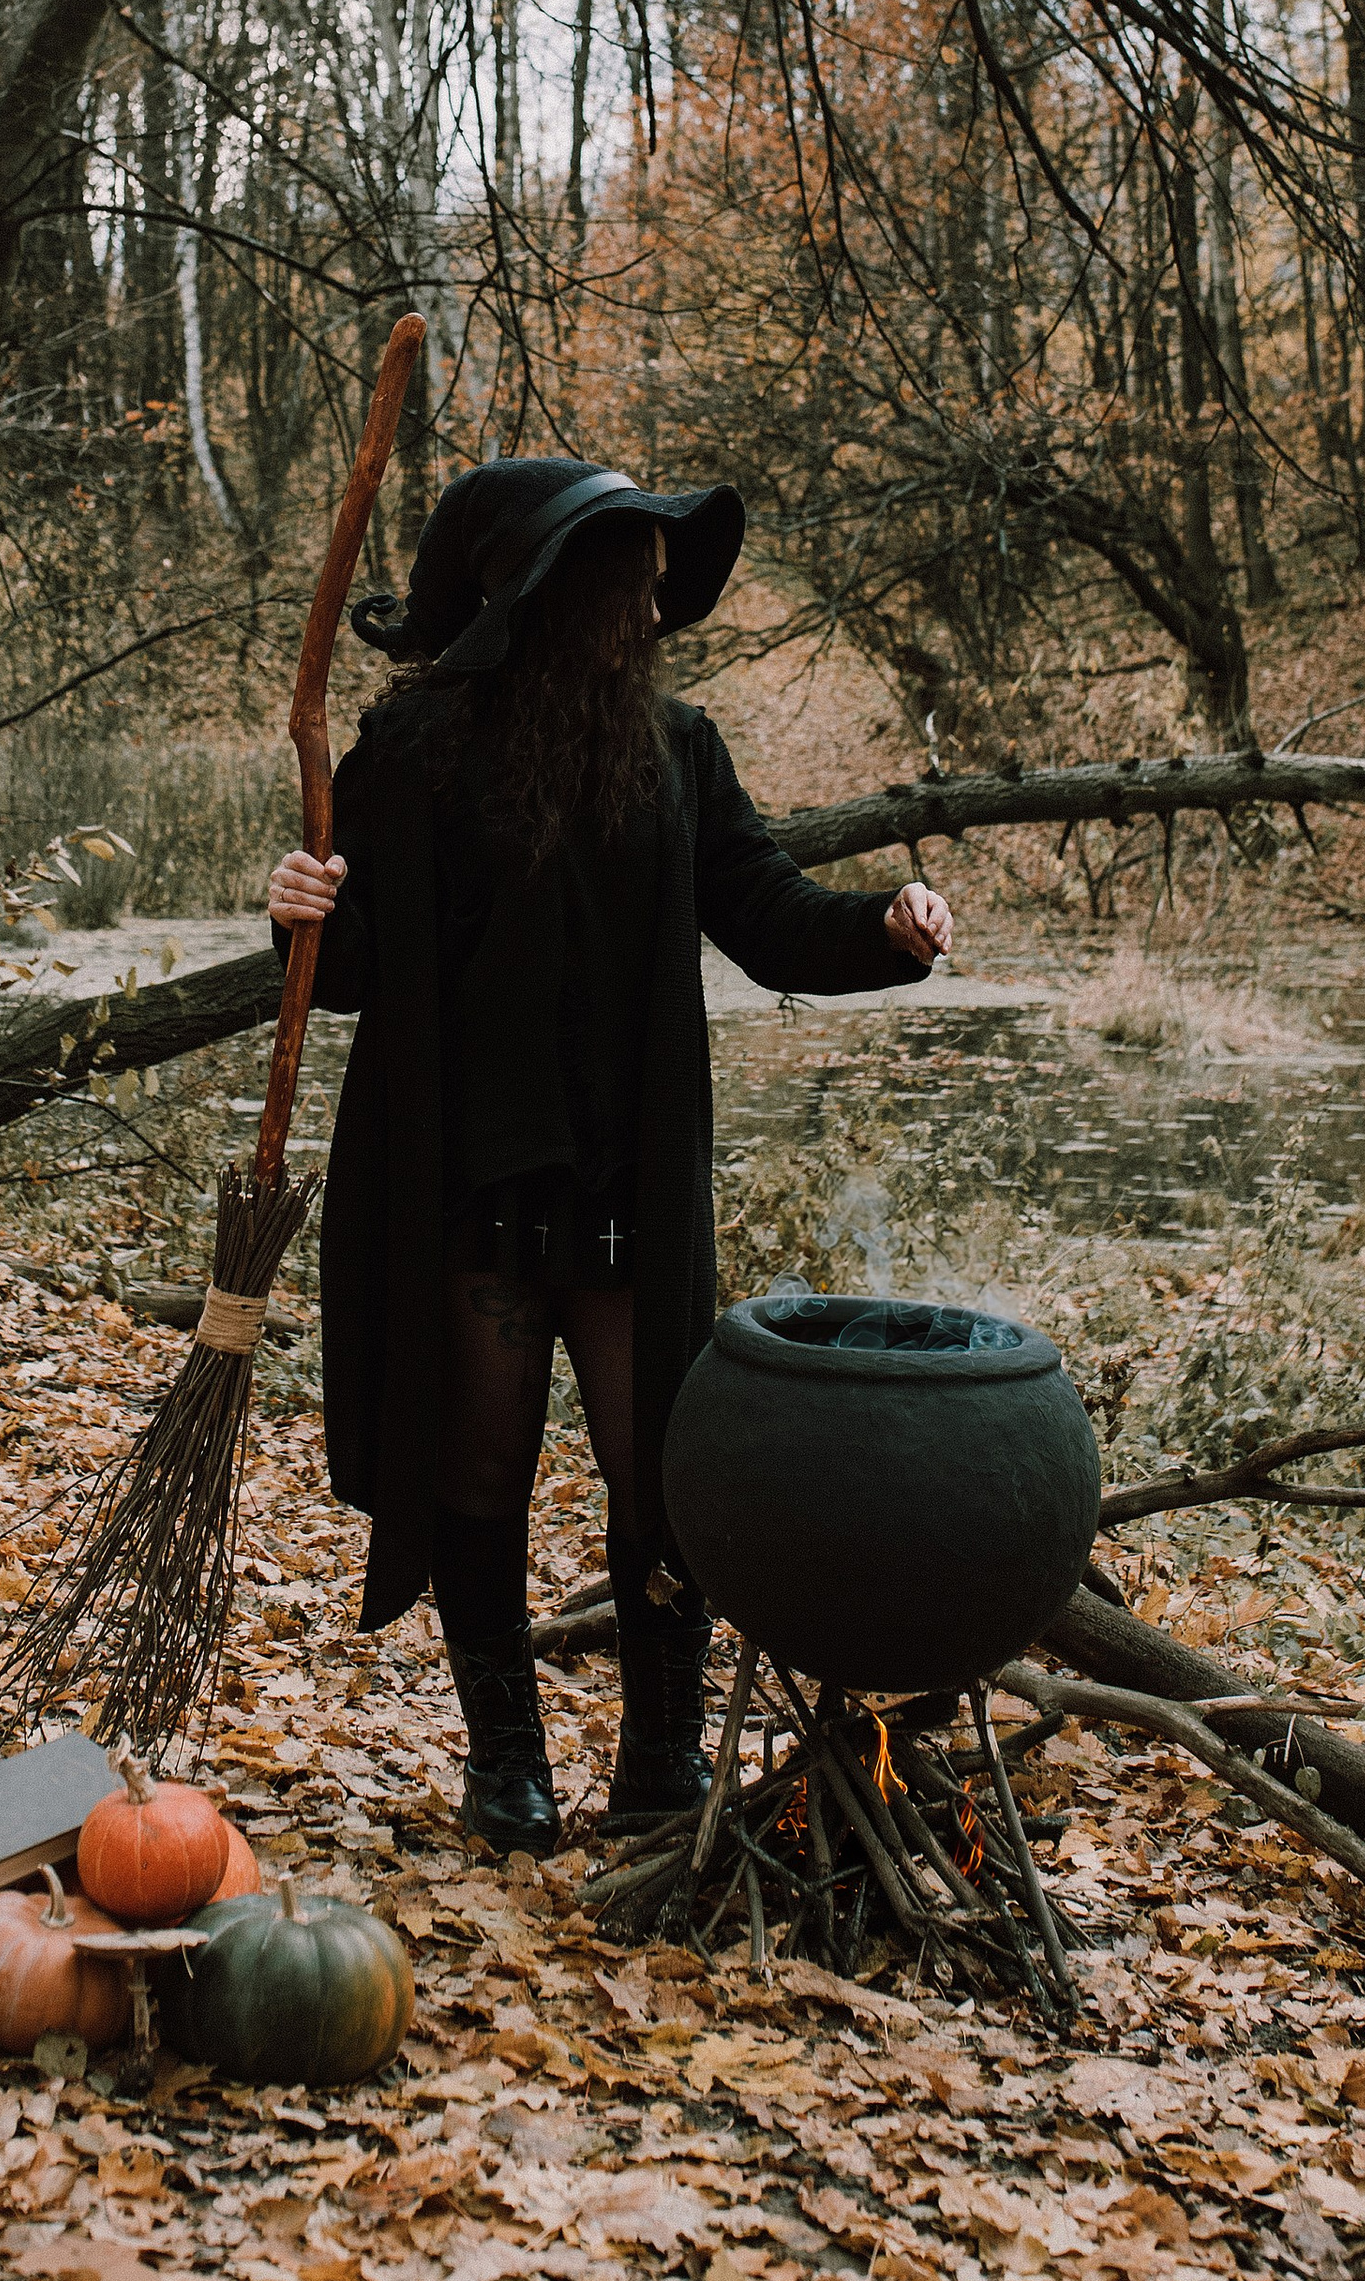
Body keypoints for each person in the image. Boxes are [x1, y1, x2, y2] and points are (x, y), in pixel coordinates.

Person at [267, 456, 953, 1857]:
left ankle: (658, 1761)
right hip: (469, 1181)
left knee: (659, 1483)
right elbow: (352, 972)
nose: (651, 611)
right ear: (556, 592)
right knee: (475, 1476)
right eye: (629, 585)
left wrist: (883, 928)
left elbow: (761, 911)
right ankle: (506, 1764)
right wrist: (300, 916)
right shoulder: (412, 750)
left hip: (624, 1181)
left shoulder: (676, 748)